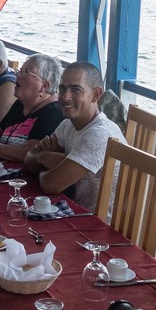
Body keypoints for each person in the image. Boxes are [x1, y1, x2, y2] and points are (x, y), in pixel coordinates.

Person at [24, 61, 124, 209]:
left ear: (96, 94)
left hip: (94, 222)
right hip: (71, 207)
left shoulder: (99, 135)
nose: (65, 97)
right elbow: (28, 160)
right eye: (62, 89)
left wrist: (44, 160)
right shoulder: (68, 124)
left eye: (76, 90)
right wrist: (43, 157)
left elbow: (50, 185)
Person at [0, 54, 64, 162]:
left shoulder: (53, 113)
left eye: (27, 72)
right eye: (21, 70)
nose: (18, 75)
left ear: (44, 86)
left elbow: (31, 153)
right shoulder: (21, 103)